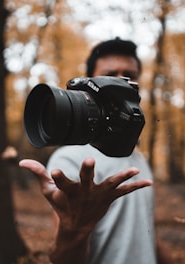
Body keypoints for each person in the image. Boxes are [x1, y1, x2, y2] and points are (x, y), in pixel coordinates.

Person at [20, 38, 166, 264]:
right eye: (111, 75)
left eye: (129, 75)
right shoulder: (70, 159)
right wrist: (76, 230)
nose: (121, 83)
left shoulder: (137, 157)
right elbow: (62, 259)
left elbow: (147, 233)